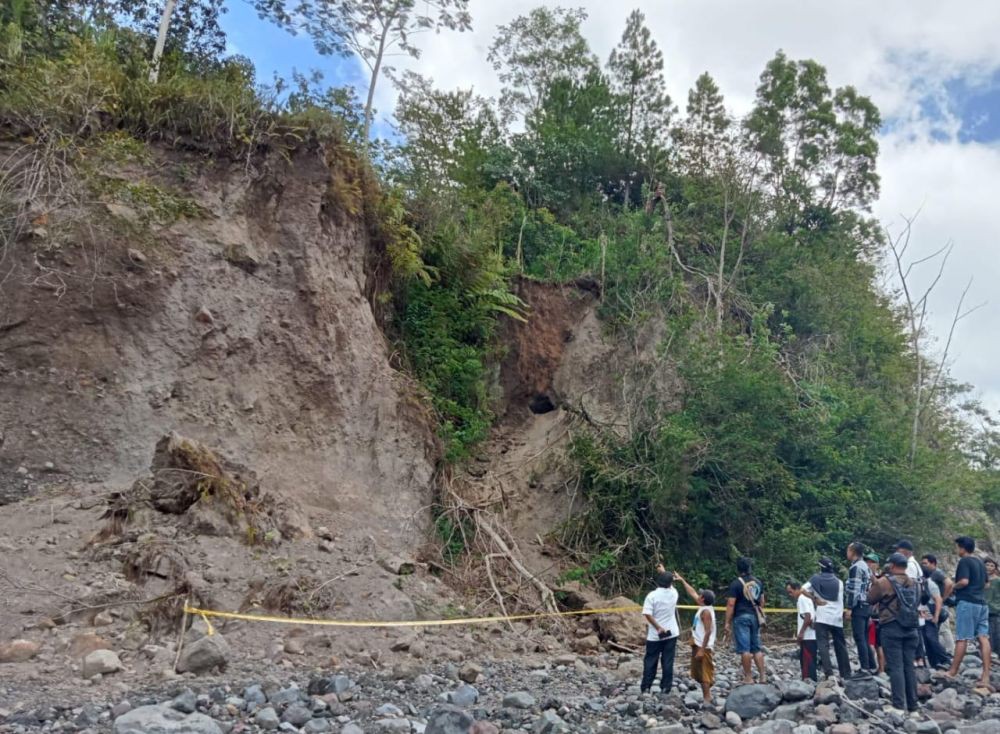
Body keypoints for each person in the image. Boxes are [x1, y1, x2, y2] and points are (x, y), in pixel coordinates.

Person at [868, 552, 920, 715]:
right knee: (909, 667)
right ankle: (913, 708)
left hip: (892, 627)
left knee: (896, 667)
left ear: (892, 565)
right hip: (912, 629)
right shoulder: (916, 583)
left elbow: (870, 599)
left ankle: (898, 706)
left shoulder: (884, 582)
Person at [946, 536, 992, 688]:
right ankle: (985, 676)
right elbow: (987, 584)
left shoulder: (964, 561)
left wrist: (954, 586)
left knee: (962, 637)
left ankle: (952, 671)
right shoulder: (980, 562)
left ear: (962, 548)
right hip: (982, 604)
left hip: (967, 602)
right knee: (983, 638)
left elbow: (964, 581)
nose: (956, 550)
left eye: (957, 547)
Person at [803, 556, 851, 679]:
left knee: (823, 645)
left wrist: (815, 599)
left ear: (821, 567)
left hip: (822, 617)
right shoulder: (839, 582)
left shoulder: (815, 579)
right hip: (837, 618)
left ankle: (829, 674)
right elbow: (841, 601)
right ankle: (846, 673)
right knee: (841, 645)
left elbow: (802, 589)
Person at [674, 572, 717, 703]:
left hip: (703, 645)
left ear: (703, 599)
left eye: (700, 595)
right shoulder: (703, 607)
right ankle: (707, 695)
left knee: (704, 672)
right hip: (698, 643)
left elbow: (708, 631)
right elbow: (692, 592)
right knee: (700, 671)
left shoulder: (706, 612)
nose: (698, 595)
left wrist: (702, 649)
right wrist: (682, 580)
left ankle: (707, 698)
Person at [725, 557, 767, 684]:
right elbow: (762, 602)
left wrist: (727, 622)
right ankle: (762, 676)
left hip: (741, 617)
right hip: (755, 617)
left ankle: (748, 677)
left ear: (738, 569)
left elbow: (731, 604)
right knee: (757, 648)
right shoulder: (758, 582)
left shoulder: (735, 584)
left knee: (745, 649)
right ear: (750, 568)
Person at [641, 568, 680, 694]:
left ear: (658, 582)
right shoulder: (674, 593)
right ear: (670, 583)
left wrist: (658, 627)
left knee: (651, 660)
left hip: (655, 635)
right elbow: (671, 584)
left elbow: (647, 614)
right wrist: (664, 571)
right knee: (668, 660)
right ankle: (666, 687)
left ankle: (646, 686)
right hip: (671, 633)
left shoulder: (651, 596)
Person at [845, 542, 876, 674]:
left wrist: (850, 607)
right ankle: (871, 664)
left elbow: (854, 589)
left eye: (848, 549)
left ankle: (865, 667)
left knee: (859, 637)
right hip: (867, 604)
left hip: (859, 605)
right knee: (863, 635)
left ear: (852, 551)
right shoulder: (866, 567)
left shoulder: (856, 568)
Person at [922, 554, 956, 655]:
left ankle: (950, 651)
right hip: (935, 604)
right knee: (938, 629)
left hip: (939, 604)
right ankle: (939, 651)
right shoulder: (931, 574)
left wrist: (943, 598)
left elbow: (949, 583)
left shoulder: (937, 573)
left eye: (925, 563)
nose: (923, 565)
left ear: (933, 563)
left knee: (944, 629)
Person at [920, 564, 952, 670]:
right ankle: (934, 663)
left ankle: (945, 660)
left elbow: (938, 600)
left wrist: (936, 616)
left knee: (931, 638)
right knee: (926, 639)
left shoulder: (930, 584)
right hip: (922, 616)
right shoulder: (920, 583)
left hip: (930, 615)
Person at [786, 581, 817, 681]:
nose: (790, 595)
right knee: (810, 659)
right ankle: (811, 679)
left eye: (791, 592)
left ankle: (808, 680)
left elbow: (808, 617)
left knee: (807, 660)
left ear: (797, 589)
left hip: (807, 636)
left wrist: (801, 633)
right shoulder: (806, 598)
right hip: (811, 635)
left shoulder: (802, 599)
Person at [865, 552, 886, 673]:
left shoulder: (879, 579)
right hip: (870, 614)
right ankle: (875, 667)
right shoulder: (869, 578)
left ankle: (878, 668)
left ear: (877, 564)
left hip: (876, 615)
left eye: (871, 562)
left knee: (876, 644)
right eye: (867, 561)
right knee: (872, 643)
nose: (869, 564)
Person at [985, 558, 1000, 657]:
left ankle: (995, 654)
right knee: (985, 633)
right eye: (987, 565)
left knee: (995, 633)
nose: (989, 567)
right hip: (982, 609)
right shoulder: (981, 579)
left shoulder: (998, 580)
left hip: (995, 610)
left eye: (992, 566)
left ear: (995, 568)